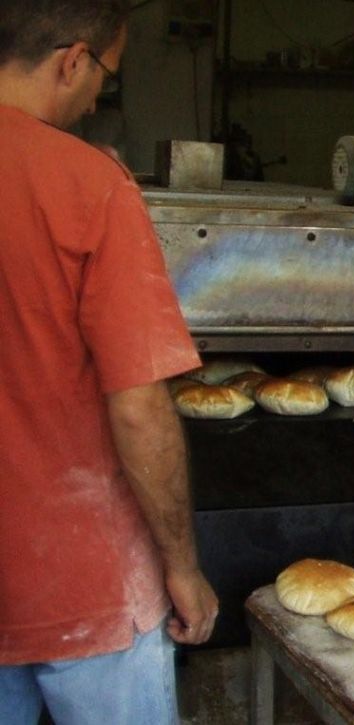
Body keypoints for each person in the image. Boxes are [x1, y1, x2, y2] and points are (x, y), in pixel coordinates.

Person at [0, 2, 218, 723]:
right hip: (80, 584)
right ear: (73, 59)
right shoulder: (91, 186)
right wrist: (181, 566)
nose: (99, 98)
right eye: (107, 76)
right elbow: (138, 405)